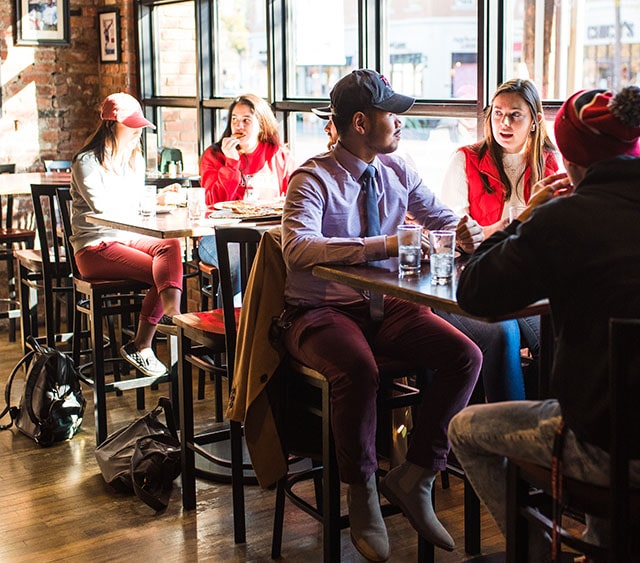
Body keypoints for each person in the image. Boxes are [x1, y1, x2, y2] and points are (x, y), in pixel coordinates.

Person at [448, 85, 640, 560]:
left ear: (571, 160)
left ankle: (535, 554)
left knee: (466, 430)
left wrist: (525, 217)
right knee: (608, 399)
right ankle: (599, 549)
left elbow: (475, 292)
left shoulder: (565, 217)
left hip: (606, 453)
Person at [281, 69, 484, 562]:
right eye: (391, 114)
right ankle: (362, 490)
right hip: (318, 310)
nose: (400, 124)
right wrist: (384, 245)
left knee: (465, 354)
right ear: (359, 122)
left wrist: (466, 229)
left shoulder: (398, 169)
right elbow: (296, 249)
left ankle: (416, 475)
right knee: (359, 369)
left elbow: (441, 217)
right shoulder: (312, 178)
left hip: (382, 306)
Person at [438, 78, 560, 403]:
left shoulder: (549, 162)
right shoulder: (465, 159)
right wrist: (504, 228)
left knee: (558, 329)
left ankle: (556, 436)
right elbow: (450, 234)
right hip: (473, 278)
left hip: (526, 280)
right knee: (506, 330)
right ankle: (512, 442)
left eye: (515, 115)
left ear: (534, 120)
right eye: (498, 114)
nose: (504, 123)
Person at [69, 92, 184, 378]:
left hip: (124, 237)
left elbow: (135, 205)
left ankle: (172, 315)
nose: (137, 132)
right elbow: (106, 210)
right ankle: (144, 344)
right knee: (165, 275)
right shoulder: (87, 162)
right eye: (131, 126)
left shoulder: (134, 160)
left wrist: (157, 198)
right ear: (111, 125)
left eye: (139, 126)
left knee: (170, 246)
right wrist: (145, 202)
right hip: (93, 247)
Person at [198, 93, 294, 300]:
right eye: (234, 119)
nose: (238, 126)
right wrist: (231, 164)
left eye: (246, 120)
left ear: (262, 124)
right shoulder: (214, 156)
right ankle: (228, 328)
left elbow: (294, 199)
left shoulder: (279, 155)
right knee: (237, 261)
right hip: (217, 236)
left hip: (266, 237)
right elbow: (212, 203)